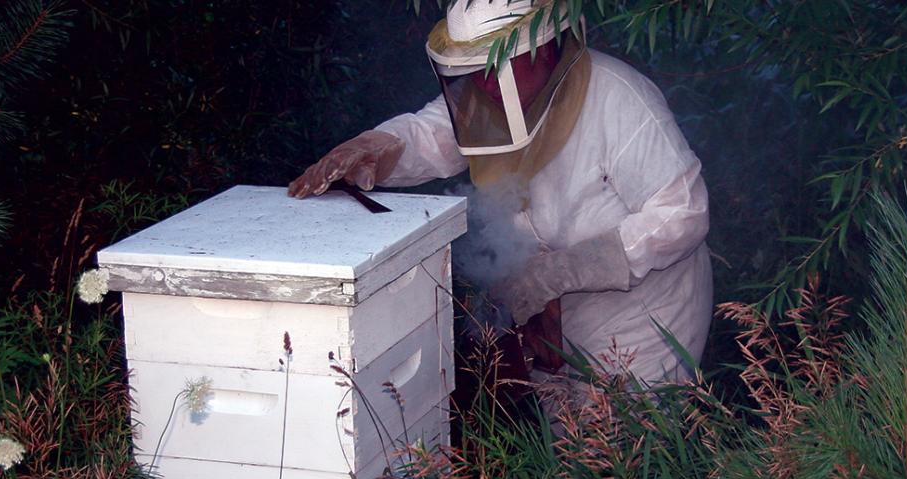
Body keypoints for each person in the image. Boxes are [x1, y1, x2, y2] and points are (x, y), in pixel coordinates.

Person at [289, 0, 711, 385]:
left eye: (495, 65)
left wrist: (564, 270)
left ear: (543, 49)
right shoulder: (489, 96)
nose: (483, 82)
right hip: (548, 321)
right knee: (566, 452)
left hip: (643, 321)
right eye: (471, 68)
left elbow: (682, 214)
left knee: (626, 457)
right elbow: (431, 136)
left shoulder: (619, 97)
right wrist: (376, 147)